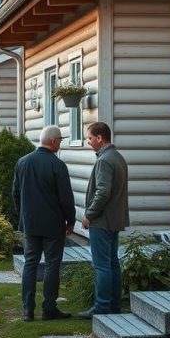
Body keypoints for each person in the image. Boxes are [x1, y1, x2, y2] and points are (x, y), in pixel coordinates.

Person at [12, 125, 76, 322]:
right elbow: (66, 198)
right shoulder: (57, 165)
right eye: (60, 141)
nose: (60, 144)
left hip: (30, 223)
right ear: (54, 141)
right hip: (53, 224)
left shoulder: (22, 162)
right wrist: (70, 220)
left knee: (30, 264)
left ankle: (27, 311)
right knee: (51, 265)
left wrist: (22, 215)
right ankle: (49, 309)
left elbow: (15, 193)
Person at [79, 121, 129, 319]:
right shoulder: (118, 157)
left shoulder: (104, 160)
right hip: (115, 219)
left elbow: (102, 192)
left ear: (100, 138)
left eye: (90, 138)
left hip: (102, 220)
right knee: (112, 263)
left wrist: (88, 215)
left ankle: (101, 307)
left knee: (101, 265)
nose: (88, 141)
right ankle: (114, 305)